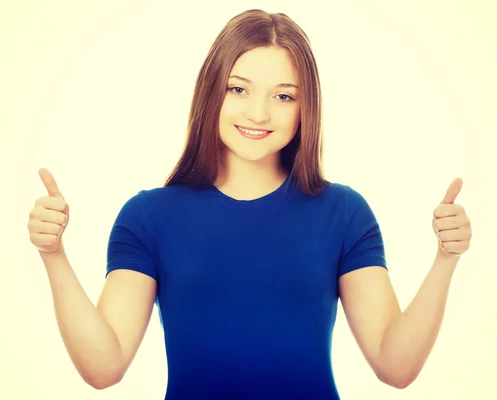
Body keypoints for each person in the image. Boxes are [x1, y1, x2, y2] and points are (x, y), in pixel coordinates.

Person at [27, 9, 472, 399]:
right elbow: (104, 369)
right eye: (238, 89)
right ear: (211, 93)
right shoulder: (148, 218)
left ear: (305, 109)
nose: (258, 113)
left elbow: (395, 368)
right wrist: (54, 255)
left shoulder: (343, 213)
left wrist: (445, 260)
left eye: (283, 96)